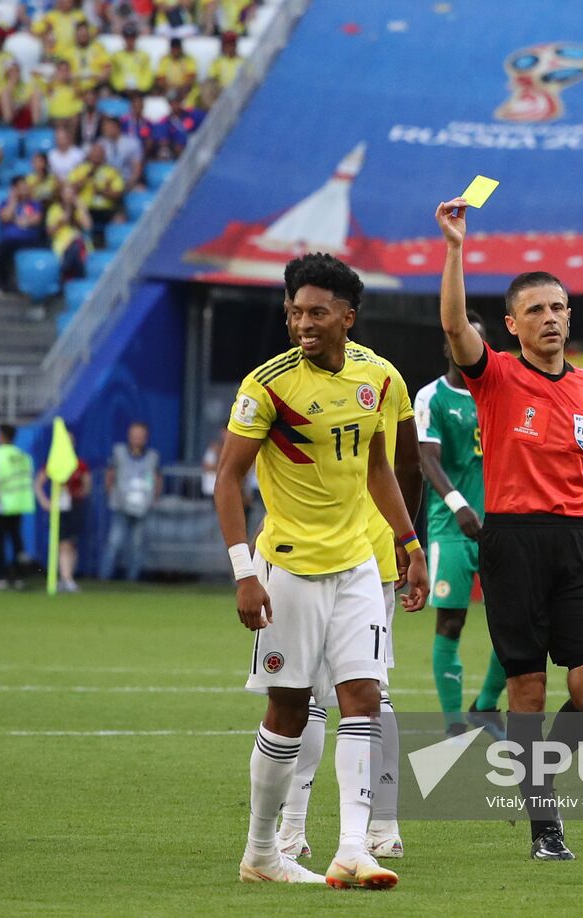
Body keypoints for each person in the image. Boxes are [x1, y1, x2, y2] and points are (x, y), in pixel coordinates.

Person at [435, 197, 583, 862]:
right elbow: (454, 326)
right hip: (511, 542)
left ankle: (537, 773)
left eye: (559, 307)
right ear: (511, 325)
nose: (551, 318)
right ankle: (545, 822)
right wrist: (454, 249)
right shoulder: (496, 376)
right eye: (535, 310)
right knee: (528, 690)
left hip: (576, 543)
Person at [212, 252, 428, 889]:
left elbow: (380, 468)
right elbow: (227, 481)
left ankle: (353, 848)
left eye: (316, 312)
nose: (302, 322)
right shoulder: (267, 385)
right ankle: (261, 853)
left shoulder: (380, 378)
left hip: (359, 564)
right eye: (294, 311)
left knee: (363, 697)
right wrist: (242, 571)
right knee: (289, 707)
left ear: (347, 317)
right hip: (288, 569)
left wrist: (410, 547)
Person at [275, 324, 422, 864]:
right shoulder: (385, 375)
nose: (306, 322)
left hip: (341, 552)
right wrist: (409, 539)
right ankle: (382, 825)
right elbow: (406, 465)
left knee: (311, 694)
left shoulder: (311, 377)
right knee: (370, 692)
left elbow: (394, 463)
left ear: (343, 314)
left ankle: (295, 831)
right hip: (371, 551)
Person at [411, 314, 507, 738]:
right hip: (452, 527)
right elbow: (426, 458)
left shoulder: (500, 394)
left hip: (503, 526)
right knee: (451, 623)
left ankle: (485, 706)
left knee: (517, 624)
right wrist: (459, 505)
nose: (467, 348)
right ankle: (453, 724)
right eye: (459, 340)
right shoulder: (432, 396)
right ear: (447, 346)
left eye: (476, 342)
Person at [97, 422, 160, 582]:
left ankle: (132, 579)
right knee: (114, 541)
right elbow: (110, 474)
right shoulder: (119, 452)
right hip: (121, 504)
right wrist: (110, 492)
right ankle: (104, 577)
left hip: (143, 506)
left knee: (137, 544)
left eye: (140, 435)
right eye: (134, 435)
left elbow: (157, 478)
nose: (137, 439)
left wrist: (154, 498)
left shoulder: (152, 456)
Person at [0, 423, 35, 590]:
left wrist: (0, 498)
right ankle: (20, 577)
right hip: (19, 504)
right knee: (17, 541)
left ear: (1, 436)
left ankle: (1, 578)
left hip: (0, 505)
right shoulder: (23, 456)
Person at [34, 449, 91, 594]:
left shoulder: (79, 464)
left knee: (72, 544)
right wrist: (45, 502)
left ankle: (68, 577)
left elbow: (87, 484)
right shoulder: (53, 464)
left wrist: (81, 493)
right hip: (60, 508)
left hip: (75, 508)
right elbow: (38, 484)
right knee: (63, 543)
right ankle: (66, 579)